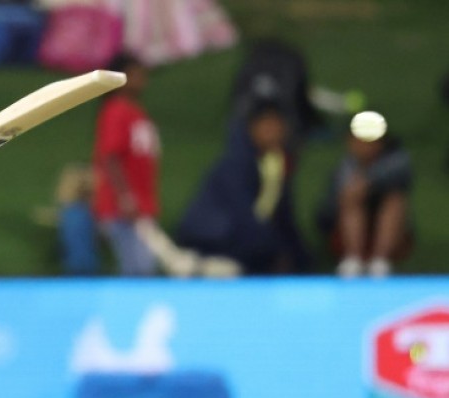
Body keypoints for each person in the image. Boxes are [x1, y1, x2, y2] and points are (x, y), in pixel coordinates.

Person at [176, 100, 311, 275]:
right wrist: (276, 248)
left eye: (276, 125)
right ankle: (204, 265)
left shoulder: (275, 162)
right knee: (263, 251)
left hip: (237, 233)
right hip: (210, 236)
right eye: (266, 125)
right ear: (251, 128)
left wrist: (301, 255)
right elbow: (242, 214)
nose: (272, 132)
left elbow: (283, 216)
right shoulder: (237, 163)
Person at [91, 52, 161, 276]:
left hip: (141, 205)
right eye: (134, 74)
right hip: (122, 208)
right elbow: (110, 156)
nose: (141, 79)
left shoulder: (138, 112)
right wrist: (124, 196)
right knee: (137, 270)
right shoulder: (116, 111)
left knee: (143, 267)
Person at [316, 126, 414, 277]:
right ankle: (353, 259)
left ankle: (380, 261)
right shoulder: (345, 165)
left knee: (394, 201)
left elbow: (401, 177)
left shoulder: (396, 160)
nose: (363, 146)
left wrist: (369, 182)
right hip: (343, 229)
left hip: (389, 232)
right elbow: (331, 205)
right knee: (351, 199)